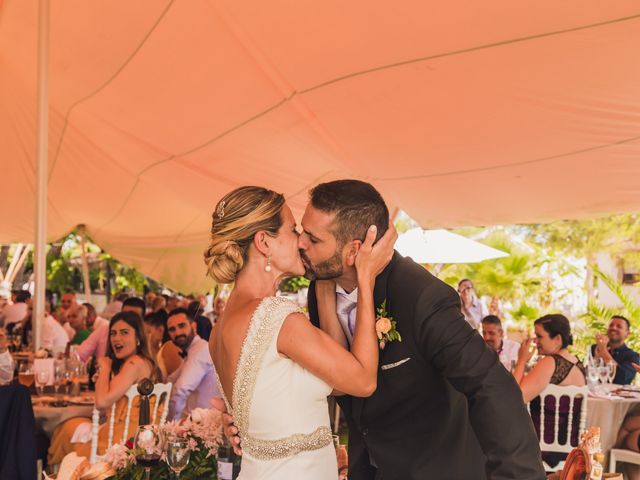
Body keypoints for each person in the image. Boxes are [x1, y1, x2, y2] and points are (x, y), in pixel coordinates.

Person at [222, 180, 543, 479]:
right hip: (367, 468)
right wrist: (255, 417)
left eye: (313, 238)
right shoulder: (318, 290)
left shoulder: (420, 296)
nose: (301, 243)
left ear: (354, 250)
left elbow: (489, 385)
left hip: (433, 467)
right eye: (300, 231)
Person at [207, 185, 395, 480]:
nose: (302, 241)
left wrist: (322, 287)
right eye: (293, 230)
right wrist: (366, 277)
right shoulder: (278, 320)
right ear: (264, 243)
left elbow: (335, 379)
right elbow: (362, 381)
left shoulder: (220, 328)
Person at [48, 311, 161, 464]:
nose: (116, 338)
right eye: (113, 333)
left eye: (124, 332)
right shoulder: (143, 361)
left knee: (63, 428)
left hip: (120, 443)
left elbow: (101, 403)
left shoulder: (134, 363)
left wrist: (105, 367)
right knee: (71, 424)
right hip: (135, 436)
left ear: (138, 337)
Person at [513, 314, 586, 468]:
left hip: (541, 446)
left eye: (540, 337)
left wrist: (521, 360)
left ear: (557, 339)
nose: (536, 342)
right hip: (570, 447)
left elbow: (514, 398)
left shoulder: (550, 362)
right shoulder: (578, 364)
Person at [167, 308, 219, 420]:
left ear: (194, 326)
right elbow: (171, 380)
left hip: (204, 425)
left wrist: (171, 424)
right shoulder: (194, 351)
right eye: (172, 329)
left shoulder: (200, 350)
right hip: (199, 422)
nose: (177, 333)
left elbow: (180, 390)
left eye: (182, 326)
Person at [590, 315, 640, 385]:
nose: (613, 328)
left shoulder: (633, 356)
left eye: (619, 326)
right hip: (593, 393)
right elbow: (587, 374)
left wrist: (603, 351)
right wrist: (596, 358)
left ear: (627, 334)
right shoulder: (594, 348)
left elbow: (622, 379)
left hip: (619, 395)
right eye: (611, 325)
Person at [144, 309, 182, 379]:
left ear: (160, 330)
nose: (145, 337)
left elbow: (180, 379)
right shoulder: (153, 350)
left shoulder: (169, 348)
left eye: (148, 332)